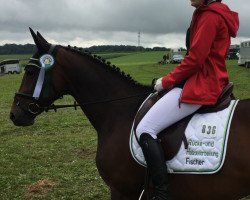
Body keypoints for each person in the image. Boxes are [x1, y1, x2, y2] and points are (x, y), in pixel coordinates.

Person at [136, 0, 239, 199]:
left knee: (145, 129)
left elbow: (195, 59)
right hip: (207, 78)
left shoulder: (210, 16)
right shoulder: (208, 12)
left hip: (202, 83)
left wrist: (167, 81)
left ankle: (162, 194)